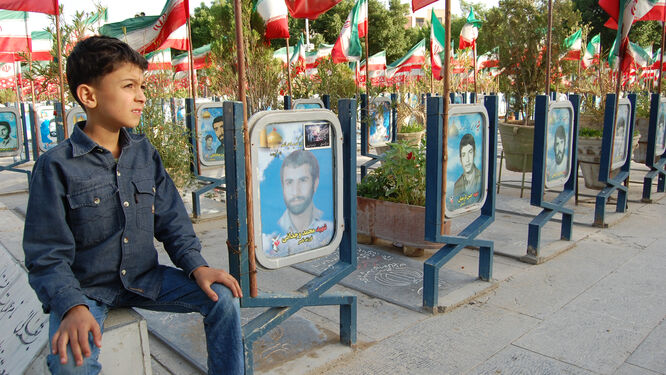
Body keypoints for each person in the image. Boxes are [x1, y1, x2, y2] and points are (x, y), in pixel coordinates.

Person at [22, 36, 243, 375]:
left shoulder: (144, 153)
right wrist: (70, 306)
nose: (141, 96)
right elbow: (46, 255)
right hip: (86, 291)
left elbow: (172, 221)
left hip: (145, 280)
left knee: (223, 300)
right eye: (129, 86)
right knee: (69, 365)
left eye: (141, 85)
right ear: (88, 95)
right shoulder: (55, 166)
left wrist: (196, 266)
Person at [263, 149, 333, 257]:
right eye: (289, 182)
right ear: (283, 187)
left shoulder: (330, 227)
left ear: (315, 183)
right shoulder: (270, 234)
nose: (295, 191)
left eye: (303, 180)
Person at [453, 133, 482, 198]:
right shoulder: (457, 185)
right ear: (460, 159)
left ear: (474, 153)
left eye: (470, 152)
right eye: (463, 155)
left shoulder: (481, 177)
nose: (467, 159)